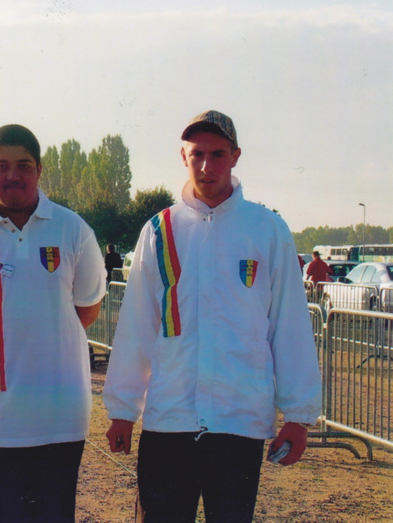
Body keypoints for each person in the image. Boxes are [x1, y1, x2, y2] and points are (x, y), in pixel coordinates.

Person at [103, 111, 322, 522]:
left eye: (218, 154)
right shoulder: (158, 230)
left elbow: (289, 327)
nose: (207, 166)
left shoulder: (268, 230)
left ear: (236, 156)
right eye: (197, 154)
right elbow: (136, 326)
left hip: (238, 422)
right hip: (169, 420)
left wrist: (298, 415)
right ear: (182, 156)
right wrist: (122, 409)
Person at [0, 124, 106, 522]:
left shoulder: (73, 229)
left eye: (24, 165)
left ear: (40, 170)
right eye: (2, 166)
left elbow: (86, 309)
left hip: (56, 418)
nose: (13, 175)